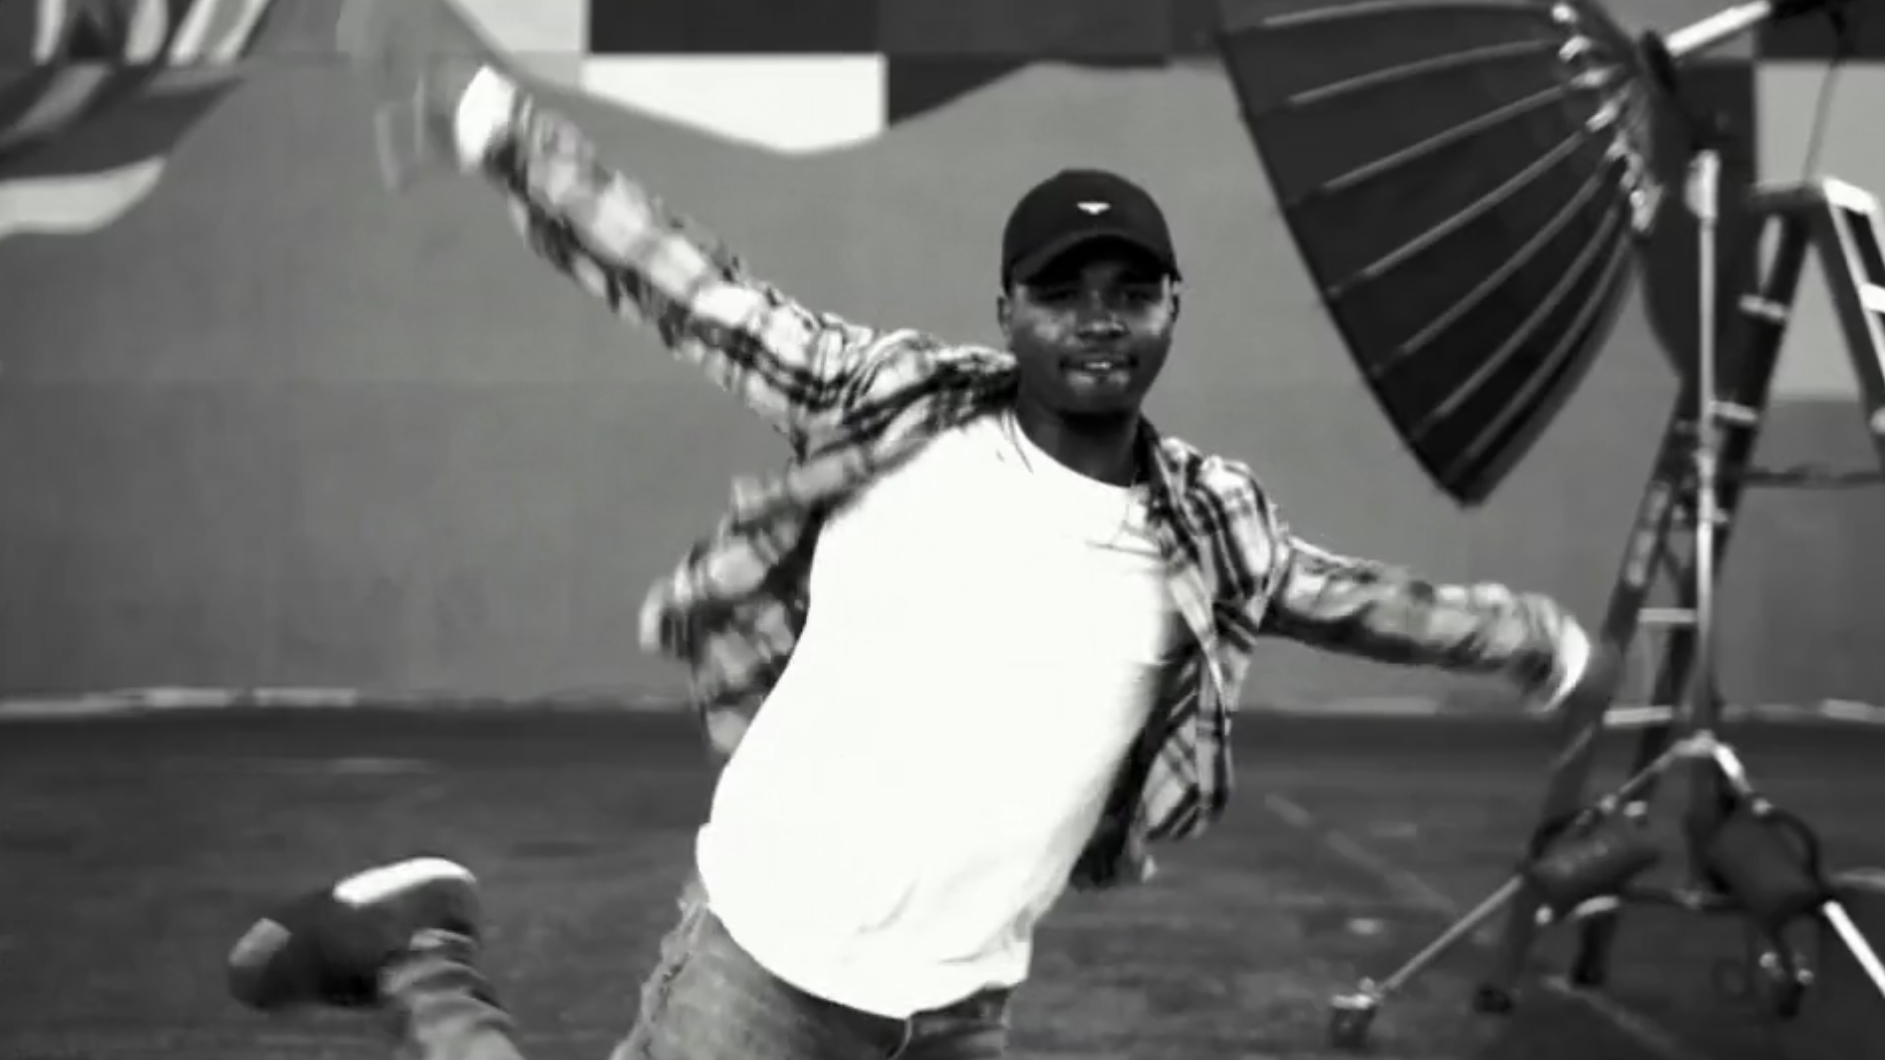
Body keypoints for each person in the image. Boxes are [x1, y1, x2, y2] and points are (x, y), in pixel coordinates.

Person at [225, 2, 1611, 1058]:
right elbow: (686, 285)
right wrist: (491, 121)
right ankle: (424, 966)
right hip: (760, 966)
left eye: (1131, 291)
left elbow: (1350, 598)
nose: (1098, 319)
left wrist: (1538, 643)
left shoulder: (1209, 525)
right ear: (1008, 311)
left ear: (1171, 312)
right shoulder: (888, 403)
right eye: (1062, 291)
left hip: (959, 1007)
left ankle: (420, 965)